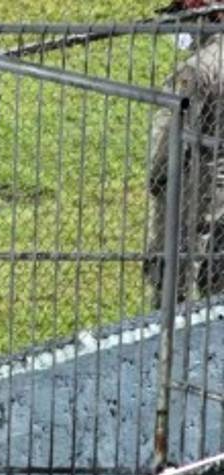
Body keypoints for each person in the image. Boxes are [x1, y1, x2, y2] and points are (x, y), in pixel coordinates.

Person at [147, 0, 224, 307]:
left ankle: (168, 340)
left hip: (196, 183)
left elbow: (171, 130)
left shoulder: (199, 68)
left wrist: (158, 176)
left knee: (174, 270)